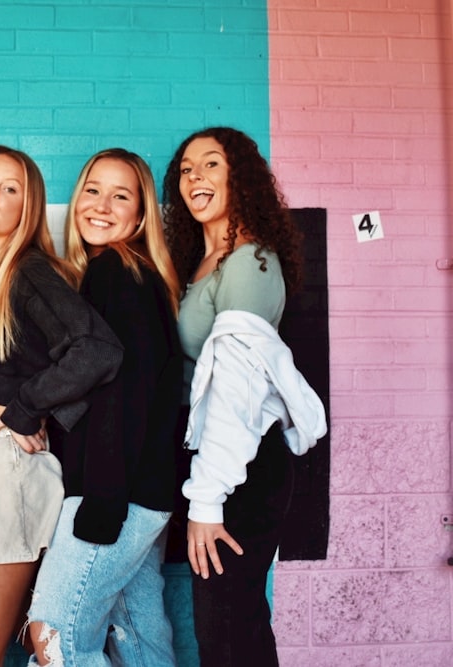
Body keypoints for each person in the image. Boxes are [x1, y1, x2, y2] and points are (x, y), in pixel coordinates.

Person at [0, 145, 124, 666]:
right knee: (21, 649)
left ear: (30, 206)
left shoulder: (28, 270)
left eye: (10, 189)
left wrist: (26, 407)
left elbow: (99, 351)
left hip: (5, 468)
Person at [163, 127, 325, 666]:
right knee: (238, 629)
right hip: (226, 466)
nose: (195, 178)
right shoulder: (207, 263)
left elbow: (237, 392)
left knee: (227, 634)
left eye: (211, 165)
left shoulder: (250, 263)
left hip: (242, 470)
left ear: (241, 178)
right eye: (187, 169)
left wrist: (206, 500)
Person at [25, 148, 182, 666]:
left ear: (140, 216)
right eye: (92, 190)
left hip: (113, 497)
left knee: (53, 636)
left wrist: (103, 503)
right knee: (140, 640)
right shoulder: (131, 275)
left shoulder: (116, 273)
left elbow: (127, 397)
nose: (101, 205)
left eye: (121, 196)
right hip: (141, 496)